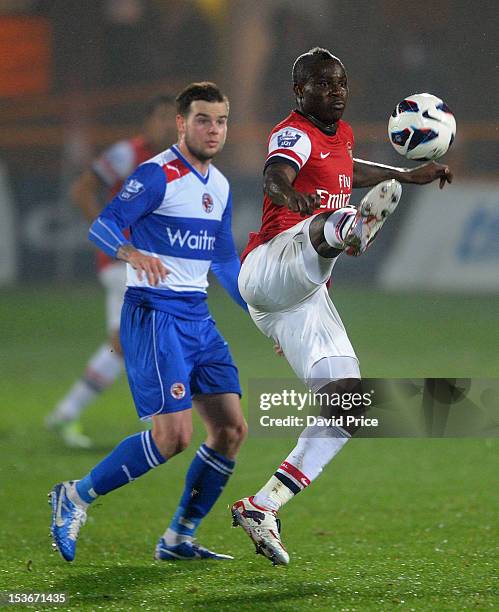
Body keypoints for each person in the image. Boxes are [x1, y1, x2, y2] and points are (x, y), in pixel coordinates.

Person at [231, 48, 453, 565]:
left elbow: (347, 166)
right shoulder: (292, 133)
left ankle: (263, 506)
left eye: (341, 82)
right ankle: (348, 231)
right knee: (328, 227)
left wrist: (404, 174)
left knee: (350, 404)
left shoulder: (342, 135)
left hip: (303, 298)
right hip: (271, 264)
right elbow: (274, 176)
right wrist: (290, 197)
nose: (336, 91)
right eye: (323, 83)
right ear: (299, 91)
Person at [49, 82, 248, 562]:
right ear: (182, 123)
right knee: (173, 437)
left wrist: (266, 314)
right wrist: (130, 251)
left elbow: (224, 261)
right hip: (155, 314)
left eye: (221, 120)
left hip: (197, 317)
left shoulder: (218, 185)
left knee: (230, 431)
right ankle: (74, 496)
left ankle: (179, 537)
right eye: (203, 119)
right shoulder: (157, 174)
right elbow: (103, 224)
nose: (214, 129)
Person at [46, 96, 173, 448]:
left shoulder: (172, 161)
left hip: (146, 264)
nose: (167, 125)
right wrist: (110, 237)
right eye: (161, 117)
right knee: (139, 337)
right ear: (147, 122)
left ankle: (67, 413)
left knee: (126, 341)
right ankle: (153, 421)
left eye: (172, 119)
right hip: (124, 263)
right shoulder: (127, 153)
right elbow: (81, 189)